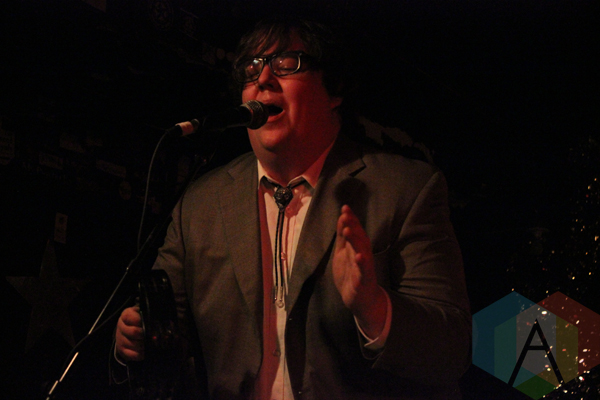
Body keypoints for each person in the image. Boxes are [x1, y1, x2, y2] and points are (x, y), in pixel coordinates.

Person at [115, 17, 471, 399]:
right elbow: (164, 333)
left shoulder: (404, 189)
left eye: (287, 63)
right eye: (251, 69)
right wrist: (135, 341)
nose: (263, 79)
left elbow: (452, 349)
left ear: (333, 90)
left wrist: (373, 307)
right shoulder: (200, 204)